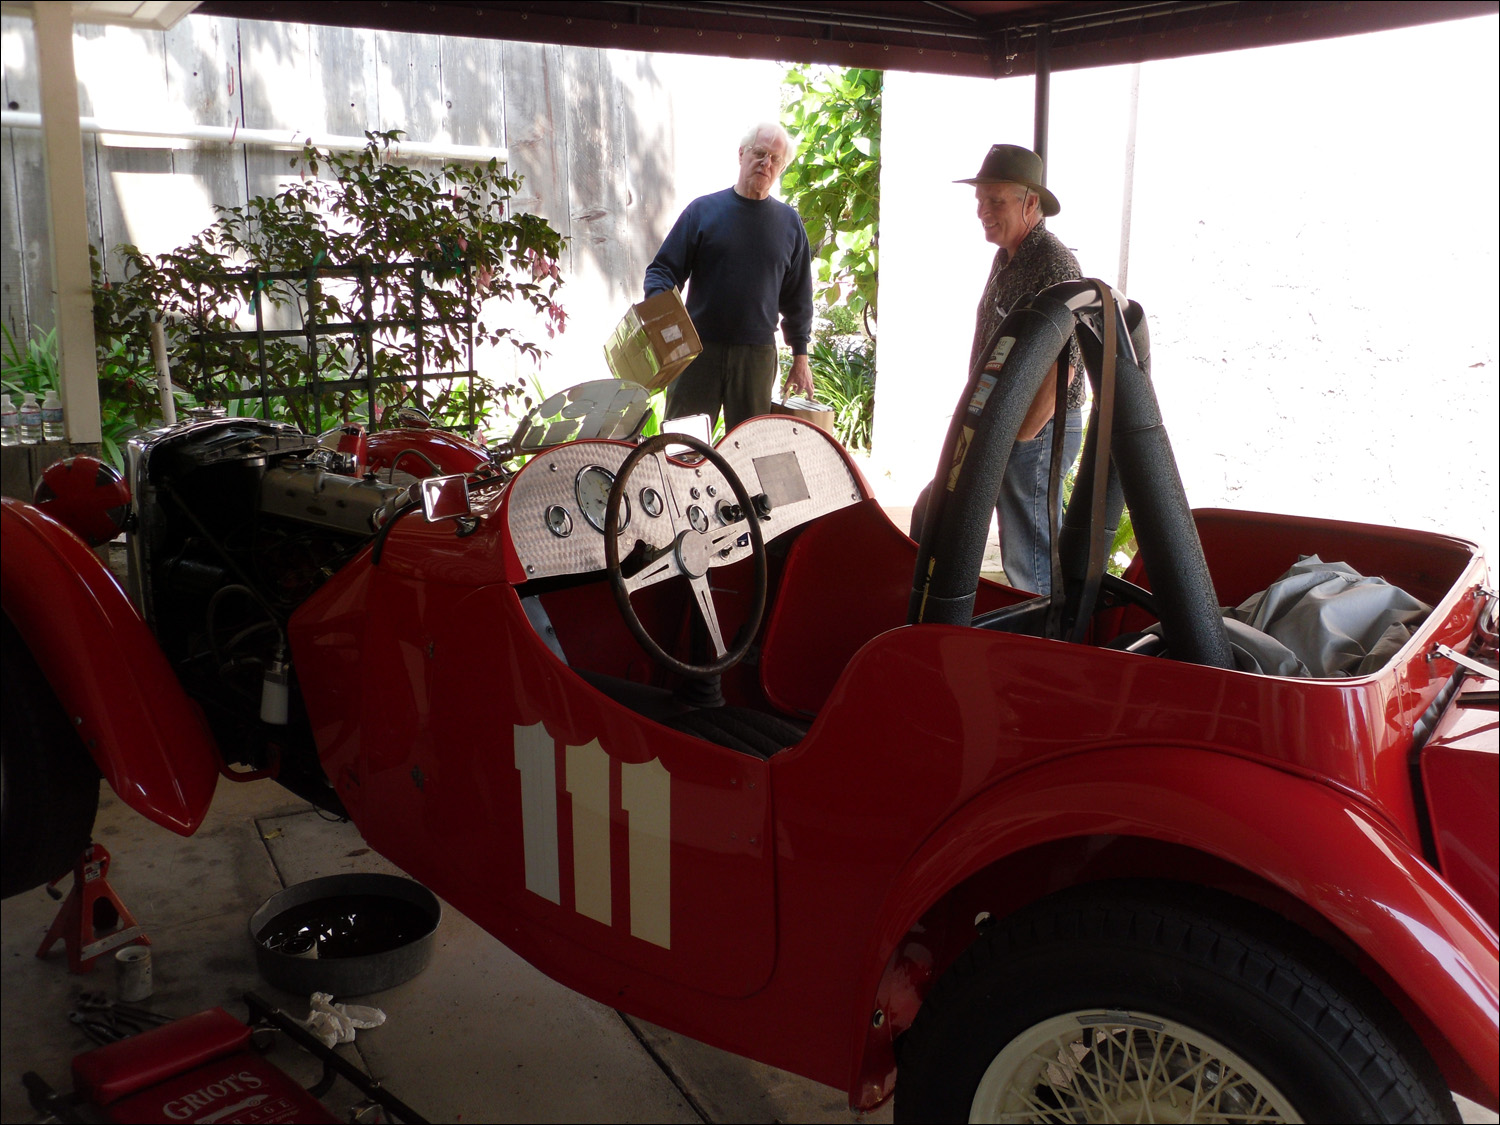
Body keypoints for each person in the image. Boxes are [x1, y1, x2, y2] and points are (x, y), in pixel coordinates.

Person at [959, 144, 1086, 595]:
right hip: (1004, 421)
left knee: (1028, 548)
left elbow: (1065, 366)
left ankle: (1044, 641)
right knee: (942, 509)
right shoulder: (1007, 256)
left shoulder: (1054, 262)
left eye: (996, 201)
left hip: (1038, 425)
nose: (983, 211)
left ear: (1031, 203)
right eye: (980, 200)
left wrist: (1018, 437)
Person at [643, 123, 815, 431]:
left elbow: (798, 298)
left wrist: (800, 358)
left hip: (756, 358)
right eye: (760, 153)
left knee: (749, 454)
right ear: (741, 154)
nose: (766, 163)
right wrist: (662, 316)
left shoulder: (789, 224)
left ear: (781, 168)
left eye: (775, 159)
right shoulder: (703, 212)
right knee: (683, 444)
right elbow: (662, 270)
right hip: (697, 353)